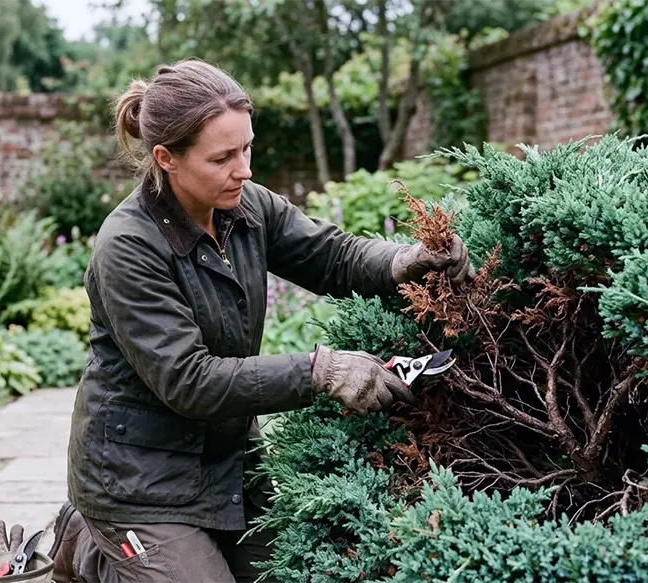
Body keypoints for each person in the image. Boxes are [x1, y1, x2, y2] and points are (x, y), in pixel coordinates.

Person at [47, 58, 475, 583]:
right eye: (222, 157)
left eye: (246, 147)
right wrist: (320, 372)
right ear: (167, 158)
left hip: (225, 462)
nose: (244, 169)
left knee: (290, 573)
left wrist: (401, 261)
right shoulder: (129, 246)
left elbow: (331, 256)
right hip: (136, 478)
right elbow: (189, 381)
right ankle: (88, 547)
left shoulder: (247, 207)